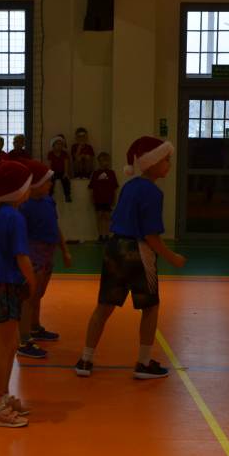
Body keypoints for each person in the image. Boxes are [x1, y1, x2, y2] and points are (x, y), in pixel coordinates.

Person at [75, 136, 187, 379]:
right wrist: (172, 257)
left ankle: (85, 359)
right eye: (166, 160)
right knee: (150, 306)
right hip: (137, 251)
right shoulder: (153, 192)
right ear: (152, 163)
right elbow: (151, 235)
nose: (169, 164)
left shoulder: (129, 186)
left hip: (114, 247)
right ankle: (144, 363)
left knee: (104, 307)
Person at [0, 161, 36, 427]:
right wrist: (32, 282)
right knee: (4, 347)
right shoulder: (14, 217)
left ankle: (2, 397)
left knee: (10, 344)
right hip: (3, 287)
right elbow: (21, 256)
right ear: (18, 190)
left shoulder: (1, 213)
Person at [16, 159, 72, 359]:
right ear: (35, 184)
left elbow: (55, 227)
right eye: (47, 181)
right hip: (34, 252)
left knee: (38, 294)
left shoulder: (49, 201)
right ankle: (23, 340)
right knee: (29, 296)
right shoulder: (24, 206)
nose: (50, 184)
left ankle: (34, 327)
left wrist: (64, 250)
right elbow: (19, 233)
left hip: (48, 252)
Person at [88, 152, 120, 242]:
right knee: (99, 216)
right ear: (99, 162)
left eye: (106, 160)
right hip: (98, 198)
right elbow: (91, 188)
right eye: (102, 161)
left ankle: (107, 235)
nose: (105, 163)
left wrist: (114, 199)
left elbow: (114, 188)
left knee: (107, 217)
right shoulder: (95, 173)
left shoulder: (111, 173)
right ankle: (100, 235)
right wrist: (92, 198)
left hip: (108, 198)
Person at [46, 135, 71, 202]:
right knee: (51, 181)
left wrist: (66, 173)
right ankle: (49, 196)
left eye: (61, 144)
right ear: (53, 145)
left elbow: (66, 164)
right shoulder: (50, 154)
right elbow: (49, 165)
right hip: (53, 172)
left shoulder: (64, 153)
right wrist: (50, 174)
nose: (59, 146)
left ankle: (67, 195)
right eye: (57, 144)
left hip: (62, 172)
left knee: (66, 180)